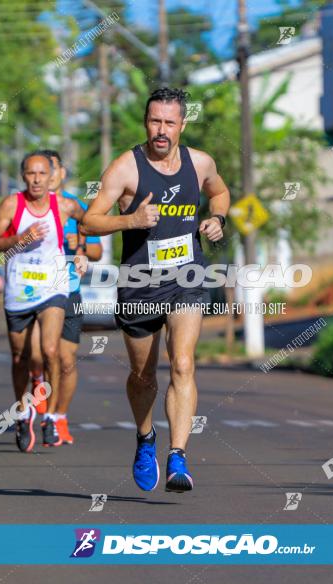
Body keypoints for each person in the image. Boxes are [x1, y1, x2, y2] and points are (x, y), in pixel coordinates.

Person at [81, 87, 230, 493]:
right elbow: (89, 222)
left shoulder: (200, 163)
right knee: (143, 375)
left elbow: (219, 192)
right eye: (154, 121)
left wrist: (217, 218)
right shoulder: (125, 169)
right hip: (139, 283)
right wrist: (130, 221)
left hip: (187, 276)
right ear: (146, 122)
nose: (161, 130)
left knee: (182, 363)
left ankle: (178, 455)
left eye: (169, 122)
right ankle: (145, 437)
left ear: (182, 123)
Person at [0, 150, 87, 453]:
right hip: (19, 288)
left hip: (53, 288)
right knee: (21, 357)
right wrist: (19, 238)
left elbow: (91, 220)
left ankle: (51, 415)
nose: (37, 179)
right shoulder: (11, 205)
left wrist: (80, 248)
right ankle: (23, 411)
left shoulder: (64, 205)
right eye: (31, 173)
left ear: (51, 174)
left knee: (51, 350)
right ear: (23, 176)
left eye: (43, 173)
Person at [27, 149, 103, 447]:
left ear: (60, 173)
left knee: (66, 360)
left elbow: (96, 249)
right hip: (36, 291)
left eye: (52, 168)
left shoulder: (76, 207)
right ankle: (37, 383)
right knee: (39, 355)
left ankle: (57, 418)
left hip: (69, 290)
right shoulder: (27, 206)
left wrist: (80, 246)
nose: (48, 174)